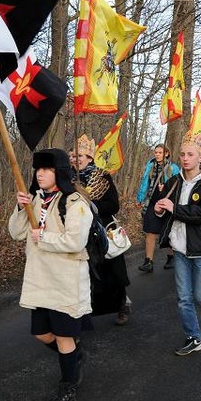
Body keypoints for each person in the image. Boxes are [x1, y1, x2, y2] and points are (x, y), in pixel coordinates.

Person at [8, 148, 92, 401]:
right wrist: (22, 209)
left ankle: (68, 387)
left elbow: (76, 241)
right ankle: (75, 356)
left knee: (65, 336)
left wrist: (42, 238)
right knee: (42, 334)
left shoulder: (75, 202)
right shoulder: (35, 199)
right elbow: (16, 233)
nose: (40, 174)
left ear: (60, 172)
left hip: (65, 279)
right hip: (39, 278)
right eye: (38, 169)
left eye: (47, 169)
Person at [154, 132, 201, 356]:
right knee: (183, 298)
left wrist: (174, 209)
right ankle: (194, 337)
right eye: (183, 154)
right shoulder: (175, 181)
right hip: (179, 246)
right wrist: (158, 210)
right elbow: (163, 206)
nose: (185, 158)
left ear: (200, 158)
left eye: (190, 154)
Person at [74, 135, 132, 325]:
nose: (76, 159)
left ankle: (122, 304)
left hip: (103, 229)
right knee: (90, 273)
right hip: (82, 231)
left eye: (80, 155)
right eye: (73, 155)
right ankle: (88, 311)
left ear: (90, 158)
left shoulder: (102, 176)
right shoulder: (68, 179)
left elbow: (113, 205)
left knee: (114, 270)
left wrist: (90, 205)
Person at [135, 144, 180, 273]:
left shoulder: (173, 168)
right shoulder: (150, 165)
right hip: (152, 201)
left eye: (160, 152)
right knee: (150, 231)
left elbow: (176, 185)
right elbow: (145, 183)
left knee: (169, 231)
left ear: (166, 153)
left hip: (167, 202)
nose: (157, 154)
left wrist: (164, 187)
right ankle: (148, 261)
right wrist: (140, 198)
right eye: (155, 152)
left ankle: (171, 257)